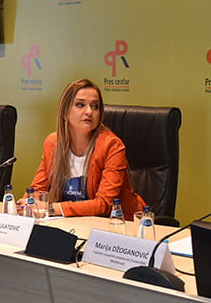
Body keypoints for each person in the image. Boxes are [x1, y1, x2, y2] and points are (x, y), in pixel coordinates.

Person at [24, 78, 144, 219]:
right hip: (74, 223)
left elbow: (104, 205)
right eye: (80, 105)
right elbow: (36, 190)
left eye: (95, 106)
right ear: (64, 113)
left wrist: (51, 208)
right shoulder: (53, 144)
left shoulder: (111, 146)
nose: (89, 112)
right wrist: (27, 204)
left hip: (121, 224)